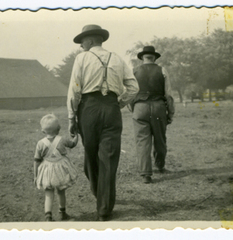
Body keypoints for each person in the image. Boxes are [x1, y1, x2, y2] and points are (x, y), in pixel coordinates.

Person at [67, 24, 139, 221]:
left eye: (82, 42)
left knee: (91, 158)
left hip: (88, 110)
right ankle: (104, 204)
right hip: (111, 109)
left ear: (90, 40)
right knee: (108, 159)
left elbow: (74, 90)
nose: (81, 46)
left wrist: (71, 117)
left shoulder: (81, 58)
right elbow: (133, 88)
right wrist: (118, 103)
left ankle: (103, 203)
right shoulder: (117, 58)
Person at [130, 46, 175, 184]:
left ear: (142, 57)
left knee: (142, 141)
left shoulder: (134, 71)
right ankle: (160, 166)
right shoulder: (162, 70)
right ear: (154, 57)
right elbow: (168, 94)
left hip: (139, 108)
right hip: (158, 107)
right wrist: (170, 113)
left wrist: (134, 108)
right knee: (160, 139)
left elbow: (130, 94)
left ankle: (146, 174)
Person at [33, 113, 78, 221]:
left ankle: (48, 216)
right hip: (60, 170)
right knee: (61, 191)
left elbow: (36, 161)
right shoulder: (62, 140)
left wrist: (35, 175)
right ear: (58, 129)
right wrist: (76, 136)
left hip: (47, 171)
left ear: (43, 131)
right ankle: (62, 213)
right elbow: (72, 144)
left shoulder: (40, 143)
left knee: (48, 193)